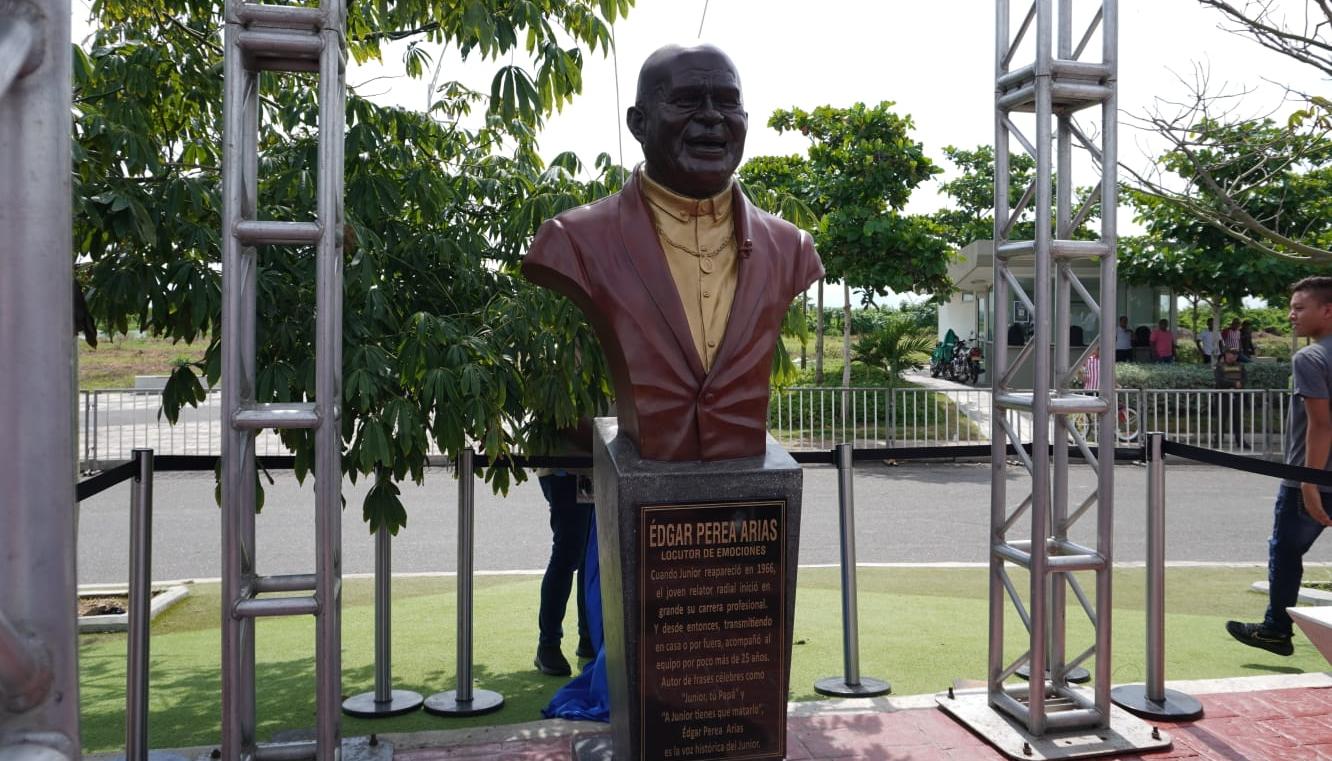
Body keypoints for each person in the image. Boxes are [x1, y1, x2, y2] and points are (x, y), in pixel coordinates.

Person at [521, 43, 824, 462]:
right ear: (639, 123)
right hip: (647, 460)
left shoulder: (790, 247)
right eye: (686, 101)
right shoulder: (573, 242)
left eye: (727, 102)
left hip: (745, 472)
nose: (712, 116)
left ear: (745, 120)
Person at [1226, 276, 1332, 656]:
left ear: (1328, 310)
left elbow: (1321, 423)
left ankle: (1275, 628)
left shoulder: (1311, 357)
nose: (1291, 315)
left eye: (1300, 307)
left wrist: (1308, 482)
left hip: (1311, 478)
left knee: (1285, 551)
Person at [534, 464, 595, 676]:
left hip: (585, 469)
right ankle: (548, 645)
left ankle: (588, 637)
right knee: (567, 554)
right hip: (565, 470)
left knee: (588, 553)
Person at [1213, 347, 1247, 448]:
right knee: (1221, 420)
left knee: (1238, 420)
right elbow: (1220, 381)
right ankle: (1218, 442)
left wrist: (1240, 384)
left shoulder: (1241, 366)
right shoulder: (1219, 366)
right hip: (1223, 396)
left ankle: (1241, 441)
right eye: (1232, 354)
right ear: (1226, 354)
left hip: (1237, 396)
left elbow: (1245, 378)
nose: (1234, 356)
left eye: (1236, 354)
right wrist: (1234, 383)